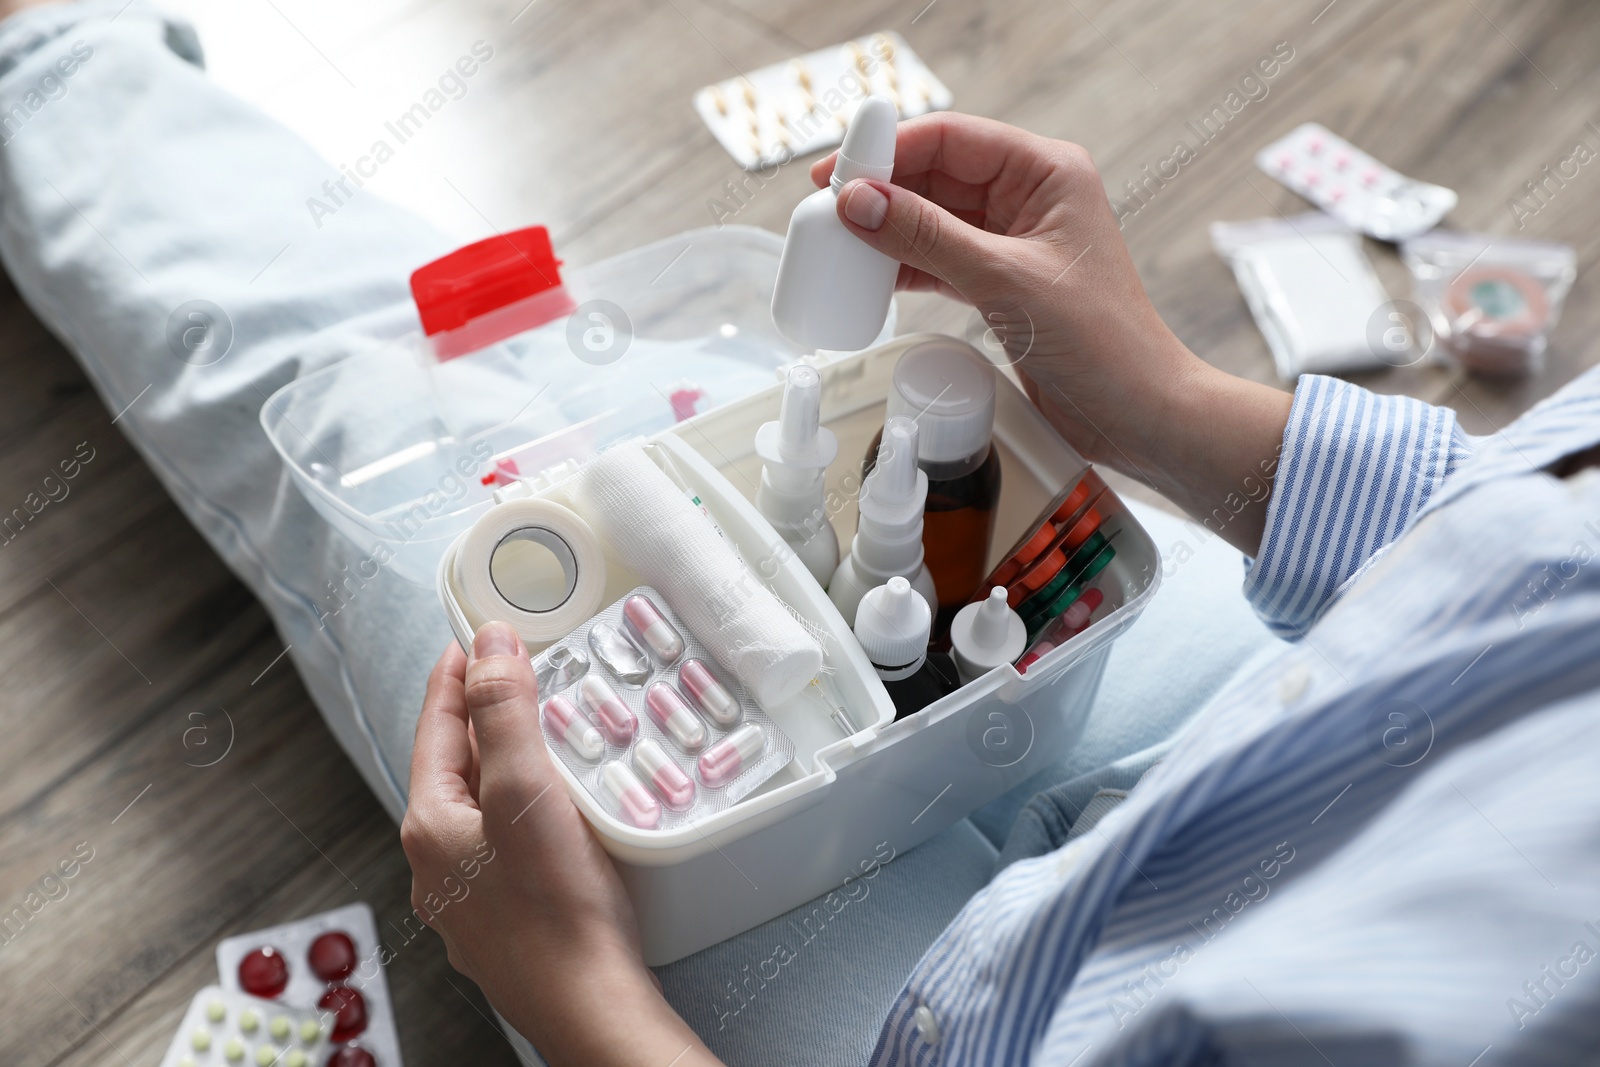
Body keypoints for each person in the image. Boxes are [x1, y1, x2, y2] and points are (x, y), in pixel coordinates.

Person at [1, 2, 1595, 1064]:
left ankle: (44, 76)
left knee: (374, 434)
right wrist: (1170, 408)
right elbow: (1539, 542)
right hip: (1290, 695)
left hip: (969, 1026)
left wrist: (579, 1002)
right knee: (663, 402)